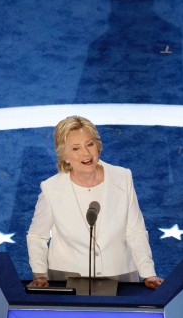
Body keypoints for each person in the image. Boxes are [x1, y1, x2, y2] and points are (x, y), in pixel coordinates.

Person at [26, 116, 164, 290]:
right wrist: (39, 274)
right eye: (76, 148)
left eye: (89, 144)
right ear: (65, 156)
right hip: (66, 278)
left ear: (98, 146)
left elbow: (135, 231)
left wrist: (148, 273)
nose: (86, 153)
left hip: (119, 276)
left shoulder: (122, 178)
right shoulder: (51, 188)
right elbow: (37, 236)